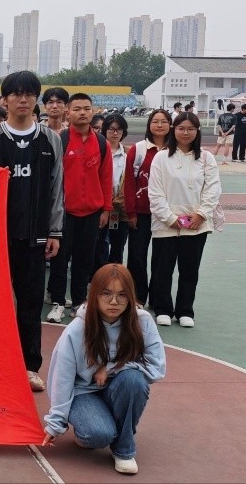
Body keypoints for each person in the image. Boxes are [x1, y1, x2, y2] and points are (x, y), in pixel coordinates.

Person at [0, 71, 64, 393]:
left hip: (35, 235)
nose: (23, 99)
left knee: (31, 303)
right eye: (16, 94)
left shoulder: (50, 140)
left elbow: (56, 189)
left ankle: (29, 366)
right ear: (4, 99)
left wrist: (55, 231)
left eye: (29, 94)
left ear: (37, 99)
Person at [43, 264, 166, 476]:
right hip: (84, 393)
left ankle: (124, 450)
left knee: (133, 380)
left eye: (122, 295)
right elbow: (61, 378)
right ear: (95, 295)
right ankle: (96, 427)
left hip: (119, 389)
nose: (114, 301)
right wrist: (55, 423)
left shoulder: (142, 321)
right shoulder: (77, 328)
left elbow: (156, 367)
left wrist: (109, 369)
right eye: (106, 293)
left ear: (130, 297)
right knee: (98, 435)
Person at [147, 112, 221, 328]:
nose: (186, 133)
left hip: (196, 224)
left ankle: (185, 310)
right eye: (181, 128)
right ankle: (163, 309)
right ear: (174, 130)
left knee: (189, 269)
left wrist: (201, 214)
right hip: (166, 224)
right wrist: (170, 218)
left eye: (190, 129)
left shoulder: (206, 158)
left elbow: (213, 188)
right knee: (163, 269)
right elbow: (155, 191)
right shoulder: (161, 158)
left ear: (197, 131)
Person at [46, 93, 113, 323]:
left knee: (84, 260)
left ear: (93, 111)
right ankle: (57, 301)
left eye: (86, 108)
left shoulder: (102, 143)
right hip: (64, 212)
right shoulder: (60, 140)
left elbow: (106, 178)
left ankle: (78, 302)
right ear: (68, 112)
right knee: (59, 259)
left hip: (92, 213)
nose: (82, 113)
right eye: (77, 109)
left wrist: (106, 209)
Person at [124, 110, 171, 305]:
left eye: (164, 121)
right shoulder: (139, 149)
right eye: (155, 121)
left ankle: (158, 299)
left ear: (170, 125)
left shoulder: (175, 149)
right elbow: (129, 183)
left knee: (162, 259)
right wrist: (131, 212)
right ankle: (137, 297)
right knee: (137, 256)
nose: (159, 125)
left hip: (166, 214)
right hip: (141, 213)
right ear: (149, 125)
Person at [96, 115, 133, 267]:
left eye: (119, 129)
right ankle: (98, 276)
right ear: (105, 130)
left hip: (120, 209)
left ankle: (115, 276)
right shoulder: (98, 151)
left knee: (118, 247)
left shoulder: (129, 153)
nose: (115, 133)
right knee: (99, 247)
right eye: (111, 129)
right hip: (100, 208)